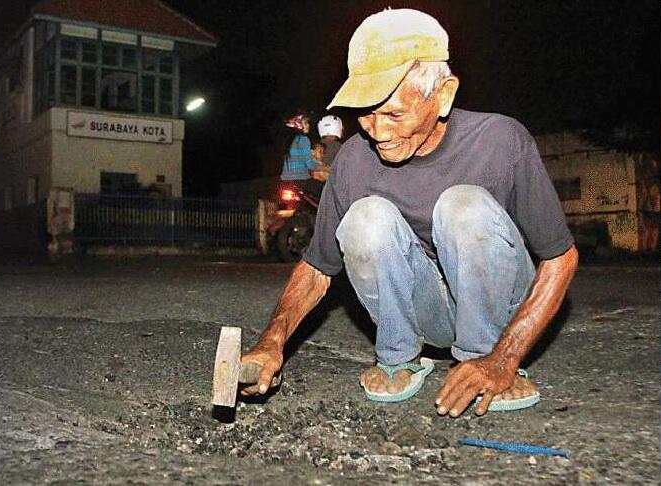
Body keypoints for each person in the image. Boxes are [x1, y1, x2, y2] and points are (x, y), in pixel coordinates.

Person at [243, 8, 578, 418]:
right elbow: (316, 269)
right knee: (366, 216)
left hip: (501, 305)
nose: (378, 132)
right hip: (431, 315)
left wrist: (504, 357)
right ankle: (398, 357)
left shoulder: (500, 140)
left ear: (445, 95)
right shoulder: (352, 160)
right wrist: (272, 341)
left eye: (395, 114)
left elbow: (560, 258)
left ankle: (483, 354)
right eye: (366, 112)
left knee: (463, 206)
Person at [280, 112, 321, 189]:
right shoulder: (303, 139)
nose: (308, 125)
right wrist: (328, 168)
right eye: (305, 123)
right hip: (301, 180)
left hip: (286, 180)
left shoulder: (288, 141)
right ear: (298, 125)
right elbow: (310, 164)